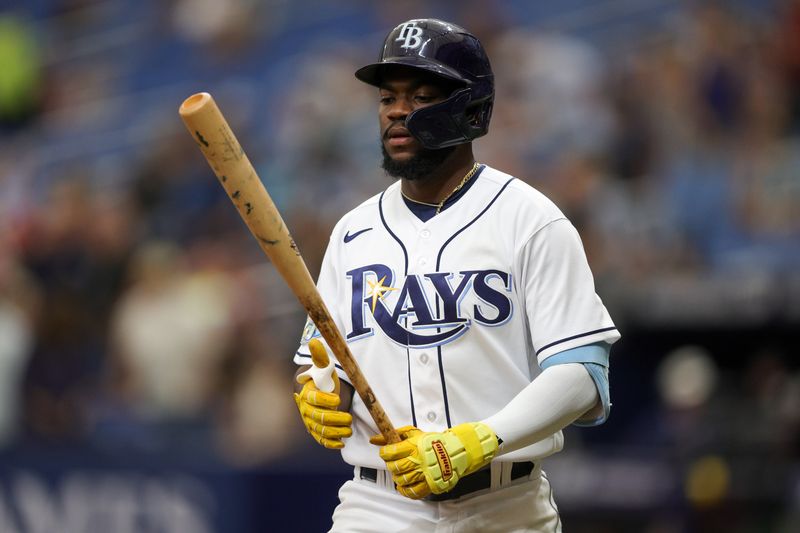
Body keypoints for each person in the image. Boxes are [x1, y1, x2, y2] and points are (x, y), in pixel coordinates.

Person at [293, 18, 620, 532]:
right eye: (387, 98)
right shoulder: (351, 234)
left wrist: (478, 440)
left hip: (507, 506)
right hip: (378, 507)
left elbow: (583, 377)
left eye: (422, 95)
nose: (398, 111)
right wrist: (320, 395)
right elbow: (326, 368)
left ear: (470, 108)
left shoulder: (530, 221)